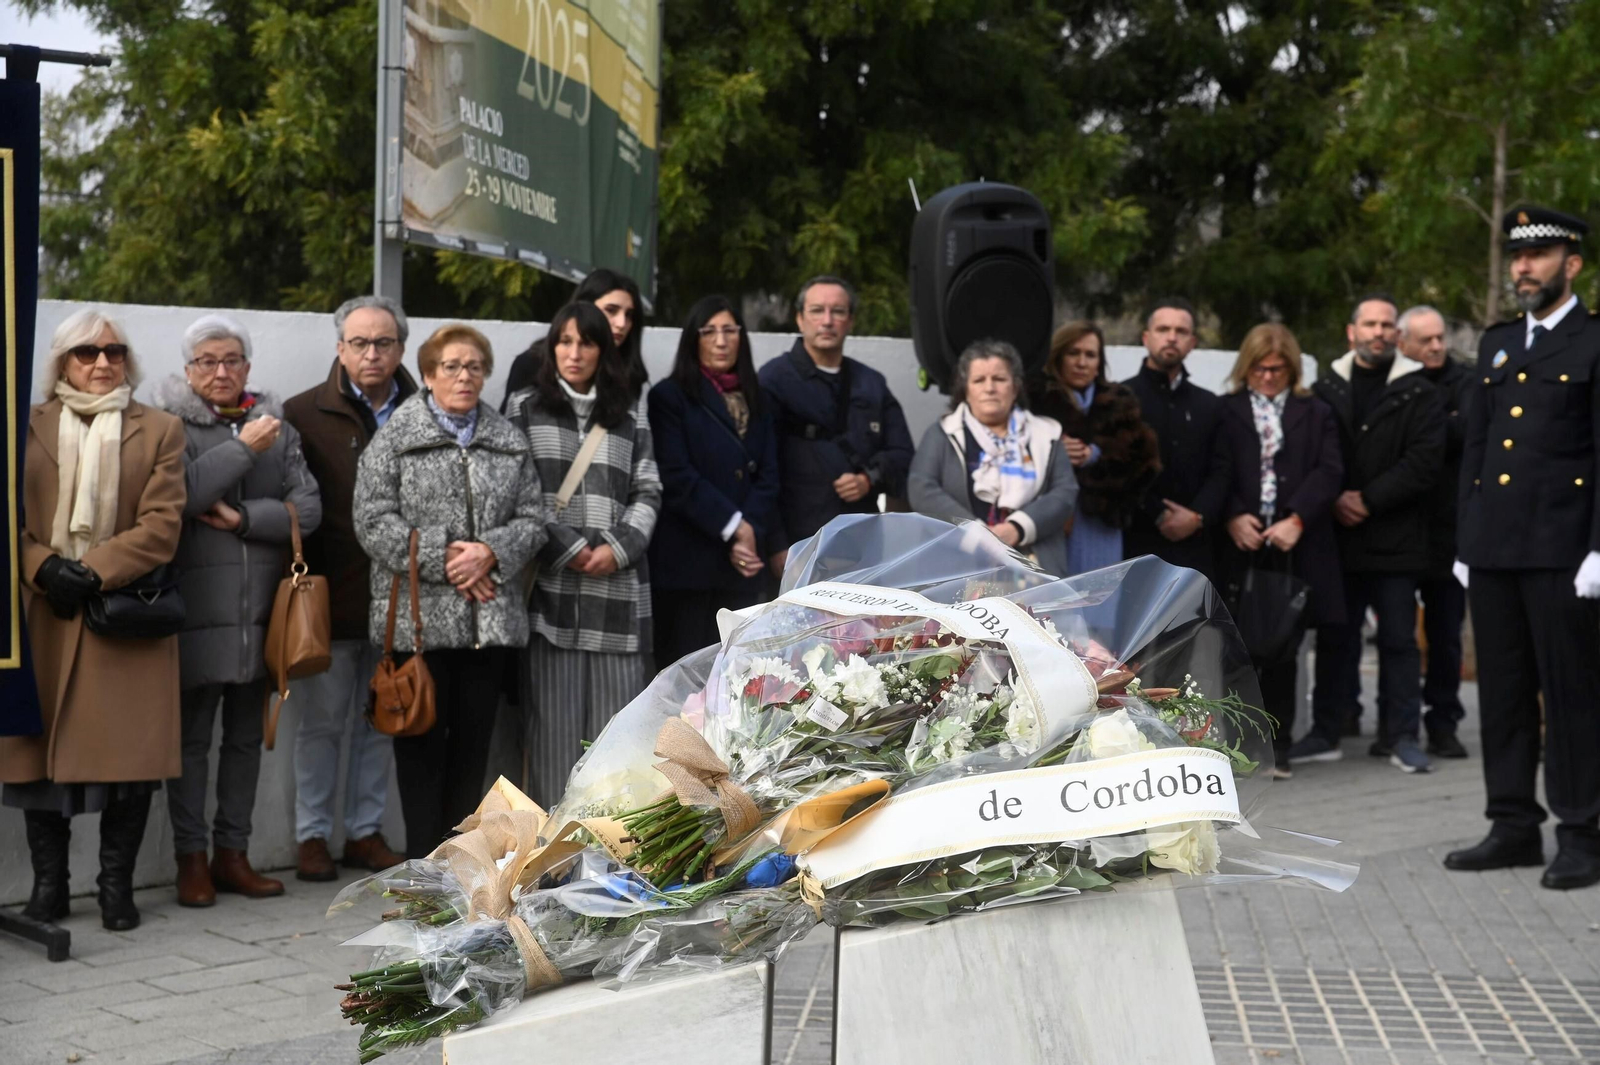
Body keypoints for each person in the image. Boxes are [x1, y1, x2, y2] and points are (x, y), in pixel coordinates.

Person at [2, 310, 185, 930]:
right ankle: (50, 889)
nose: (102, 361)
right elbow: (7, 517)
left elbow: (162, 525)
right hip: (42, 613)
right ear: (60, 360)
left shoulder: (159, 428)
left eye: (114, 350)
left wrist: (93, 571)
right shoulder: (21, 425)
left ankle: (117, 890)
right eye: (86, 351)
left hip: (121, 614)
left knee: (128, 763)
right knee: (36, 756)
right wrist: (43, 567)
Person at [1447, 205, 1600, 891]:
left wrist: (1599, 550)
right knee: (1504, 695)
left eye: (1539, 255)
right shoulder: (1499, 342)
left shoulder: (1593, 342)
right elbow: (1476, 450)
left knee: (1571, 697)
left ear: (1572, 263)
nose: (1524, 267)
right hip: (1496, 550)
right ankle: (1512, 824)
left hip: (1564, 552)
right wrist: (1466, 537)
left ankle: (1581, 831)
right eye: (1517, 255)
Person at [354, 324, 545, 858]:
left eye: (475, 367)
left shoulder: (507, 439)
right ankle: (422, 870)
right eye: (451, 367)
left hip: (488, 626)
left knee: (472, 751)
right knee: (418, 752)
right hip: (419, 628)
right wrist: (448, 557)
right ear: (430, 373)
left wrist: (491, 552)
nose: (464, 377)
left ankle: (461, 868)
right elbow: (372, 521)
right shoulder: (395, 436)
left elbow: (534, 519)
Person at [156, 315, 322, 906]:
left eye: (232, 360)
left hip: (261, 620)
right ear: (188, 370)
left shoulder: (276, 426)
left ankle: (234, 854)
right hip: (193, 613)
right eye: (207, 361)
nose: (221, 371)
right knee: (192, 742)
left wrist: (242, 519)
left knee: (247, 742)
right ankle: (191, 860)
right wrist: (242, 449)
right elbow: (180, 497)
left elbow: (308, 508)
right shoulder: (169, 425)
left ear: (248, 367)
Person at [282, 296, 418, 880]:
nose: (371, 353)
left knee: (382, 717)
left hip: (404, 602)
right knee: (319, 723)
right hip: (331, 595)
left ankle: (365, 831)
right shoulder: (302, 413)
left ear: (401, 348)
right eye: (359, 343)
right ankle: (312, 836)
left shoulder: (424, 409)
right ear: (339, 348)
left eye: (382, 342)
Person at [506, 303, 661, 806]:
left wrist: (616, 548)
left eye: (587, 342)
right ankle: (552, 860)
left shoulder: (629, 412)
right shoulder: (525, 407)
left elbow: (649, 490)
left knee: (618, 739)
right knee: (551, 736)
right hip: (551, 594)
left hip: (618, 593)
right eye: (565, 342)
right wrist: (569, 547)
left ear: (604, 350)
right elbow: (518, 494)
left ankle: (608, 857)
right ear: (552, 348)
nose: (575, 353)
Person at [1293, 295, 1444, 773]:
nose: (1378, 332)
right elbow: (1310, 452)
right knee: (1336, 639)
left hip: (1397, 540)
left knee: (1400, 642)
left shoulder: (1420, 391)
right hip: (1336, 540)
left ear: (1398, 337)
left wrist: (1368, 499)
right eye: (1369, 324)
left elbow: (1424, 461)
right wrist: (1334, 496)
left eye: (1386, 325)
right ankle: (1326, 732)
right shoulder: (1323, 389)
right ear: (1351, 331)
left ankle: (1401, 736)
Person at [1213, 324, 1344, 777]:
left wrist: (1297, 517)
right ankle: (1236, 745)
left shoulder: (1315, 411)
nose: (1268, 377)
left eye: (1278, 369)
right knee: (1235, 647)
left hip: (1292, 542)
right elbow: (1215, 469)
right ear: (1245, 369)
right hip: (1240, 540)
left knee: (1285, 645)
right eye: (1260, 369)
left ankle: (1279, 743)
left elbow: (1330, 470)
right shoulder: (1226, 409)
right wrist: (1231, 514)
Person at [648, 296, 780, 665]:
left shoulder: (760, 397)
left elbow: (769, 475)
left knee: (740, 680)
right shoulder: (669, 397)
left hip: (744, 569)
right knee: (684, 678)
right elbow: (676, 475)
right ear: (694, 340)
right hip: (688, 568)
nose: (721, 341)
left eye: (729, 331)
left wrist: (750, 530)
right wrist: (735, 527)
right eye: (709, 332)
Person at [760, 276, 914, 571]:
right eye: (817, 310)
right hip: (798, 546)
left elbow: (903, 454)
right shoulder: (773, 381)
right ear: (799, 318)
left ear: (851, 321)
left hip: (862, 546)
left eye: (838, 311)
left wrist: (869, 478)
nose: (827, 321)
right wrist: (776, 546)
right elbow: (761, 474)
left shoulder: (871, 383)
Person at [907, 339, 1079, 575]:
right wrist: (975, 533)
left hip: (1033, 565)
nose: (990, 388)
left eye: (999, 379)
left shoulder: (1047, 434)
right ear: (966, 389)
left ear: (1015, 387)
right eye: (979, 380)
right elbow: (921, 487)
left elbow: (1065, 491)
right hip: (955, 564)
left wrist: (1017, 528)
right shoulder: (943, 433)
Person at [1396, 305, 1471, 760]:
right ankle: (1395, 724)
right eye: (1426, 340)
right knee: (1399, 637)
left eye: (1440, 337)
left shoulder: (1467, 382)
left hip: (1450, 533)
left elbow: (1462, 435)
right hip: (1399, 532)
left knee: (1445, 634)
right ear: (1404, 344)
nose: (1437, 346)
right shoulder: (1395, 385)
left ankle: (1444, 722)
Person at [1029, 321, 1160, 575]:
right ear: (1058, 356)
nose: (1082, 362)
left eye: (1090, 355)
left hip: (1101, 522)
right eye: (1073, 353)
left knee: (1099, 603)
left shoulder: (1120, 404)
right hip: (1046, 522)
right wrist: (1052, 449)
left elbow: (1143, 462)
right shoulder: (1034, 401)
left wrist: (1096, 456)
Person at [1122, 298, 1228, 579]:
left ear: (1192, 342)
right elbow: (1118, 469)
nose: (1171, 337)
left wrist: (1197, 516)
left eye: (1181, 332)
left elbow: (1223, 470)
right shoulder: (1119, 399)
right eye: (1163, 329)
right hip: (1134, 547)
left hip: (1195, 552)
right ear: (1146, 337)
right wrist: (1159, 514)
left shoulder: (1210, 404)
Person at [502, 267, 647, 404]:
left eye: (629, 315)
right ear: (583, 306)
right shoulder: (532, 363)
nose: (622, 323)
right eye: (611, 310)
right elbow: (509, 428)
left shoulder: (629, 373)